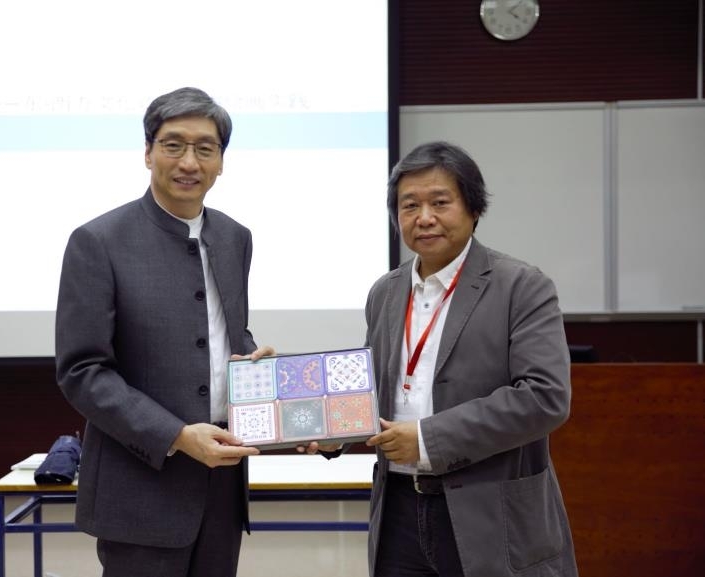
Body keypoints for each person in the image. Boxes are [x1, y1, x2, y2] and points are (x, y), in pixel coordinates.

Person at [309, 141, 577, 576]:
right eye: (409, 205)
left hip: (489, 513)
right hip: (397, 513)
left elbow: (545, 398)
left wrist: (428, 439)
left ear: (473, 207)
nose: (424, 217)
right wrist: (332, 430)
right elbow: (371, 390)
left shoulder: (522, 286)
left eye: (439, 202)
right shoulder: (385, 292)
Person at [54, 86, 274, 577]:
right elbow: (82, 371)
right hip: (140, 489)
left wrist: (254, 363)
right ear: (148, 152)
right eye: (173, 145)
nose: (189, 162)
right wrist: (175, 435)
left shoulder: (235, 237)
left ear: (221, 161)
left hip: (222, 486)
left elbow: (224, 334)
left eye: (205, 148)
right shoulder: (98, 241)